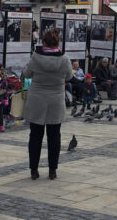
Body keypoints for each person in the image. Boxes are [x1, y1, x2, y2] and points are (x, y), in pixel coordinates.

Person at [23, 30, 72, 180]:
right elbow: (69, 76)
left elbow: (27, 74)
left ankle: (34, 170)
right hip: (56, 101)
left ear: (44, 42)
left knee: (35, 136)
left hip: (37, 99)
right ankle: (52, 170)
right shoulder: (64, 59)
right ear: (58, 43)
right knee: (54, 137)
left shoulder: (36, 57)